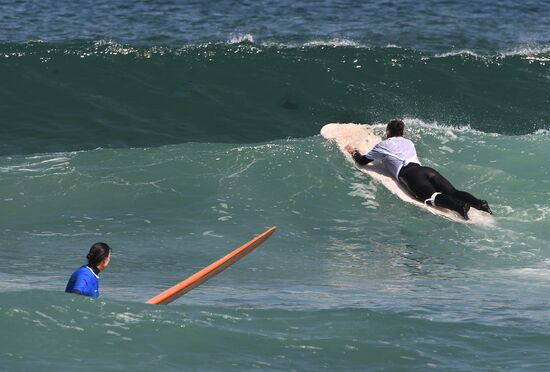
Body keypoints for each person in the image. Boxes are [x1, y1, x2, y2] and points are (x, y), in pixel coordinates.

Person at [345, 119, 492, 220]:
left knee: (431, 197)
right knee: (453, 192)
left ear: (387, 132)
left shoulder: (383, 145)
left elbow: (363, 161)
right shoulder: (409, 142)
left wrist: (353, 151)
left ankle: (459, 207)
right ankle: (479, 203)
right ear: (402, 132)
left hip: (410, 174)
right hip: (426, 170)